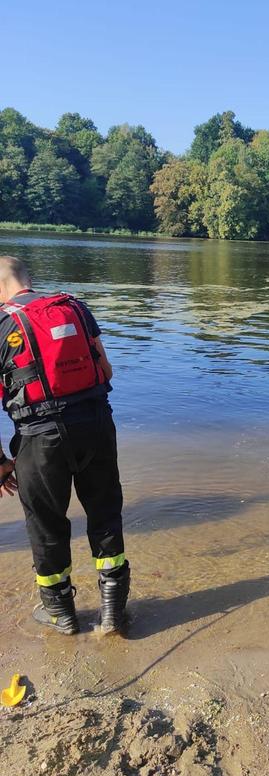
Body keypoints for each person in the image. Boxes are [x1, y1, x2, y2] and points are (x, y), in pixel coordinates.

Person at [0, 256, 129, 635]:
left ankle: (62, 615)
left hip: (39, 438)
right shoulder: (73, 307)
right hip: (96, 427)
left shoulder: (1, 324)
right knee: (105, 514)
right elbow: (105, 371)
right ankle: (112, 613)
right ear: (29, 280)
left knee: (47, 526)